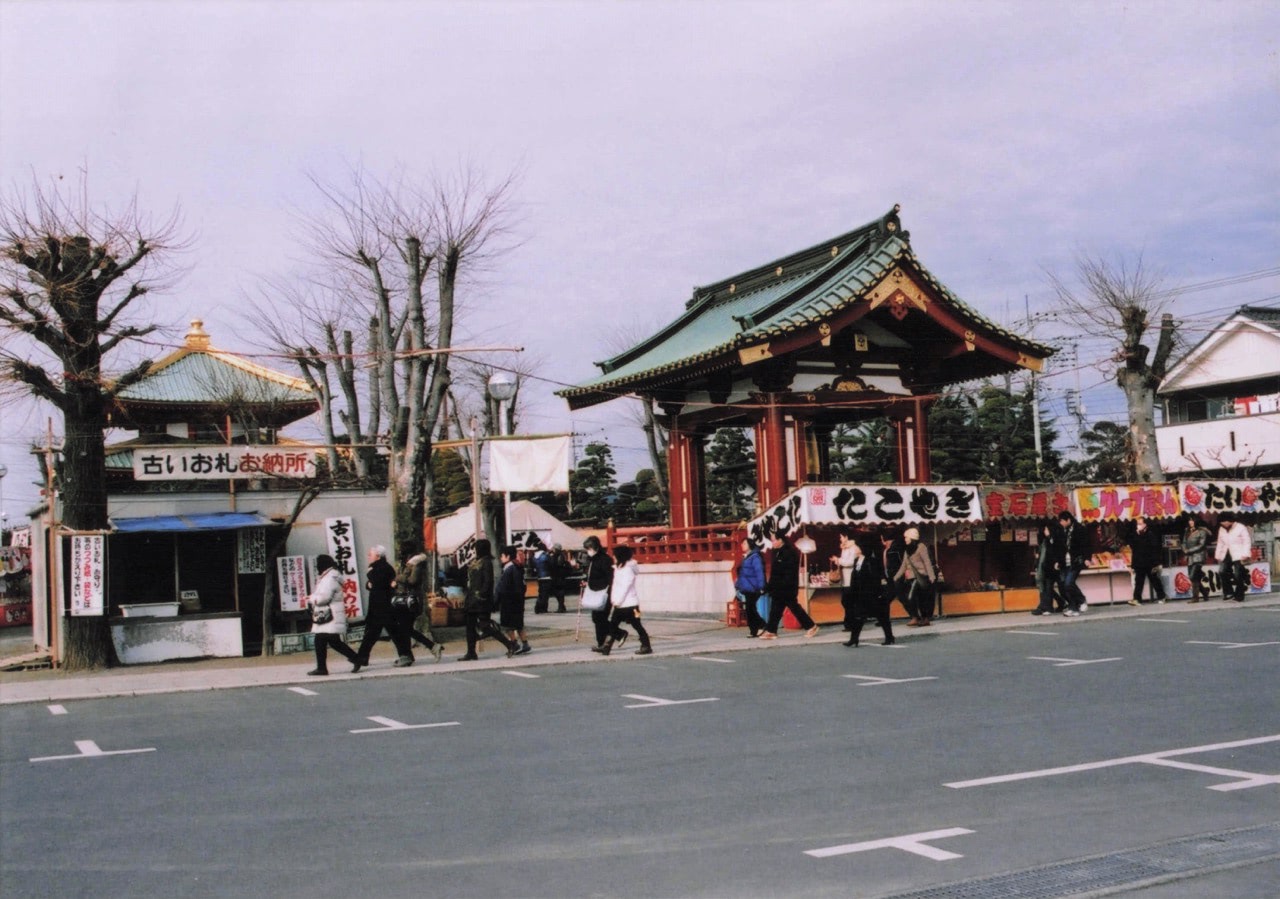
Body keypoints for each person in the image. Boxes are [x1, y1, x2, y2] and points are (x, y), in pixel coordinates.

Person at [458, 539, 519, 661]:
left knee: (485, 625)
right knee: (469, 625)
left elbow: (488, 581)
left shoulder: (487, 563)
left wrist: (481, 594)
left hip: (482, 600)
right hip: (472, 598)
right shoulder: (476, 562)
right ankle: (471, 652)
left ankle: (510, 644)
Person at [355, 544, 414, 669]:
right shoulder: (379, 567)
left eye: (370, 554)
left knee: (385, 633)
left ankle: (362, 658)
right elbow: (372, 584)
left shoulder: (382, 568)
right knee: (376, 633)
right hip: (379, 607)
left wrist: (370, 576)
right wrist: (370, 582)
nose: (368, 556)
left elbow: (377, 583)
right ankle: (362, 658)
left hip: (383, 607)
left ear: (377, 556)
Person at [306, 553, 362, 675]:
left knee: (321, 639)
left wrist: (311, 598)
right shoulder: (331, 576)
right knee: (333, 641)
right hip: (331, 614)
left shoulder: (329, 578)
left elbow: (323, 598)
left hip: (329, 615)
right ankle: (356, 658)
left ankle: (322, 668)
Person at [593, 545, 652, 655]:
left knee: (637, 625)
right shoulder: (618, 568)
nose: (613, 557)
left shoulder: (628, 569)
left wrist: (617, 600)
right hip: (620, 605)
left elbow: (625, 587)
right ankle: (607, 647)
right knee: (612, 626)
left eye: (614, 555)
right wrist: (615, 600)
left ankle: (646, 645)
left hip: (631, 604)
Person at [759, 532, 819, 640]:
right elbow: (774, 573)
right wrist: (769, 587)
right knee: (776, 609)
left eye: (774, 540)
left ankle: (811, 626)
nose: (772, 542)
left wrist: (784, 585)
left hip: (787, 587)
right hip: (778, 587)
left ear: (780, 540)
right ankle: (771, 631)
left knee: (793, 607)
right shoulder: (776, 552)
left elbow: (790, 573)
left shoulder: (789, 553)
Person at [394, 540, 444, 662]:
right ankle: (410, 655)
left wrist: (398, 578)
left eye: (402, 549)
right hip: (406, 598)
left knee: (405, 628)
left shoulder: (416, 563)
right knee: (406, 628)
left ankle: (431, 647)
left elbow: (412, 580)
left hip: (412, 599)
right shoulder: (408, 563)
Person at [843, 537, 894, 647]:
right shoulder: (857, 560)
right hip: (861, 595)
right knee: (859, 618)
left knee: (882, 617)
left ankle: (889, 637)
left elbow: (875, 578)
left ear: (862, 549)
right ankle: (854, 639)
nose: (855, 549)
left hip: (871, 595)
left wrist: (876, 592)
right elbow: (855, 577)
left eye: (857, 547)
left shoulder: (872, 562)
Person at [578, 535, 615, 648]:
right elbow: (591, 575)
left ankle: (608, 640)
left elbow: (610, 577)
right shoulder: (592, 560)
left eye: (589, 549)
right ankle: (604, 641)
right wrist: (586, 581)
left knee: (600, 618)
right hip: (594, 592)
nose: (588, 551)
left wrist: (610, 591)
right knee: (597, 619)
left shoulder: (605, 559)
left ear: (596, 547)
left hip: (604, 592)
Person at [895, 527, 936, 627]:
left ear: (912, 538)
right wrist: (896, 577)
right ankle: (924, 619)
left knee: (910, 597)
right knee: (920, 599)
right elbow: (904, 565)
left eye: (906, 537)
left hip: (920, 577)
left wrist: (932, 576)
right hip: (911, 579)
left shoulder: (921, 547)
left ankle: (916, 618)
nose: (905, 539)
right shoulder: (907, 550)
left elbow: (927, 562)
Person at [497, 545, 532, 655]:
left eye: (502, 555)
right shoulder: (517, 567)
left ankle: (514, 644)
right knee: (518, 624)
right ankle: (525, 643)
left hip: (510, 600)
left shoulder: (510, 569)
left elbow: (506, 586)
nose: (501, 558)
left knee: (508, 625)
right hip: (517, 600)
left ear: (507, 556)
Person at [1126, 516, 1167, 605]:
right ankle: (1137, 599)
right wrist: (1133, 565)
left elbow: (1154, 549)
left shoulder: (1150, 534)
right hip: (1139, 563)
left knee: (1154, 580)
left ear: (1145, 525)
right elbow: (1134, 549)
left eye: (1140, 524)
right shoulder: (1135, 535)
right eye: (1137, 524)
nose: (1138, 526)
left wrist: (1156, 563)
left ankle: (1162, 596)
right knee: (1139, 582)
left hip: (1150, 563)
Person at [1055, 510, 1089, 616]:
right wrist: (1057, 561)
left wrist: (1087, 558)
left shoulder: (1079, 529)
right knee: (1065, 585)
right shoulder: (1063, 531)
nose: (1061, 523)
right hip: (1065, 562)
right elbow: (1060, 547)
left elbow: (1087, 545)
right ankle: (1073, 607)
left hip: (1076, 561)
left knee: (1068, 583)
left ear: (1068, 520)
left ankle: (1082, 600)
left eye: (1062, 521)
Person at [734, 537, 768, 638]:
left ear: (750, 544)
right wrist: (738, 585)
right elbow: (743, 574)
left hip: (753, 587)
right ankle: (754, 630)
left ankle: (762, 625)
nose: (742, 545)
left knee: (750, 609)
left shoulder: (755, 557)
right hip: (747, 587)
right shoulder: (747, 557)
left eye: (744, 543)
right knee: (749, 609)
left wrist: (762, 586)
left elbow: (759, 573)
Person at [1215, 512, 1252, 602]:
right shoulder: (1222, 529)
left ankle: (1239, 595)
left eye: (1225, 522)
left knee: (1238, 575)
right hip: (1226, 553)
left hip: (1238, 553)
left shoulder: (1240, 527)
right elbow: (1220, 542)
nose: (1224, 524)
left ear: (1230, 521)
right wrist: (1218, 554)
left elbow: (1246, 541)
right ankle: (1229, 592)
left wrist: (1246, 554)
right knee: (1222, 571)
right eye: (1222, 522)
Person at [1032, 522, 1063, 615]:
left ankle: (1047, 607)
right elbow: (1040, 557)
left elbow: (1053, 551)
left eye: (1046, 529)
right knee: (1046, 588)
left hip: (1051, 568)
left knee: (1047, 588)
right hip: (1045, 567)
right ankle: (1053, 604)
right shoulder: (1044, 542)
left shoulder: (1051, 541)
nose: (1045, 531)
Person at [832, 531, 861, 632]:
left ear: (846, 536)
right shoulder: (845, 548)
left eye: (841, 536)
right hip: (845, 579)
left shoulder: (854, 548)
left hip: (851, 578)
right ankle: (849, 624)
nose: (840, 539)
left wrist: (838, 560)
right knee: (846, 602)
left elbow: (850, 562)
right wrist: (838, 560)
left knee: (848, 602)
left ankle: (851, 624)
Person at [532, 543, 570, 614]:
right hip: (549, 576)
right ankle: (542, 608)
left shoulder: (534, 557)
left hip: (540, 577)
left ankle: (541, 608)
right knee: (548, 593)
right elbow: (552, 565)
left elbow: (533, 567)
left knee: (542, 593)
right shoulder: (546, 556)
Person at [1182, 515, 1211, 603]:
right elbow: (1183, 542)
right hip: (1190, 557)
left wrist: (1189, 550)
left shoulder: (1202, 531)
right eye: (1189, 520)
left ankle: (1195, 597)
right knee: (1195, 578)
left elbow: (1201, 545)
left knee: (1192, 576)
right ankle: (1205, 593)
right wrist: (1184, 549)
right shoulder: (1187, 530)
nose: (1190, 522)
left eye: (1192, 520)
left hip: (1198, 556)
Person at [880, 530, 907, 623]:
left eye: (882, 540)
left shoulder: (895, 549)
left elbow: (902, 563)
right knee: (887, 598)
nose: (882, 542)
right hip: (891, 578)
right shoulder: (888, 550)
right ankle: (883, 619)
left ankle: (915, 616)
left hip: (897, 577)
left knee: (902, 597)